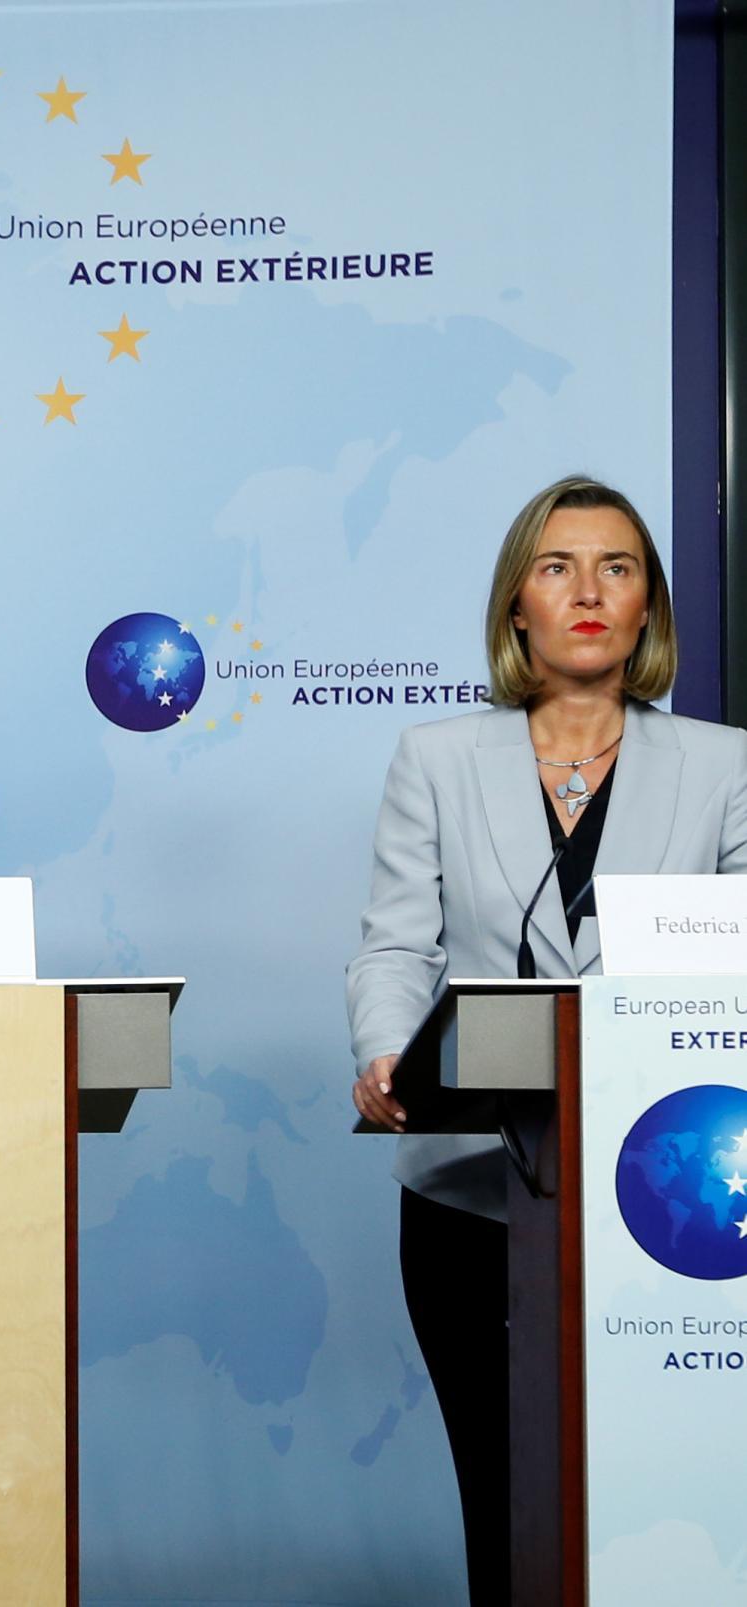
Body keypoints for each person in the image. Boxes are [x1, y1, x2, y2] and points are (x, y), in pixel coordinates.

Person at [346, 475, 747, 1605]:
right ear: (516, 605)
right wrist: (385, 1053)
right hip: (472, 1187)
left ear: (646, 609)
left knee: (655, 1495)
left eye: (616, 568)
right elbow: (391, 947)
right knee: (506, 1487)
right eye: (557, 567)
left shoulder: (724, 767)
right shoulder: (437, 757)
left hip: (665, 1193)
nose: (587, 591)